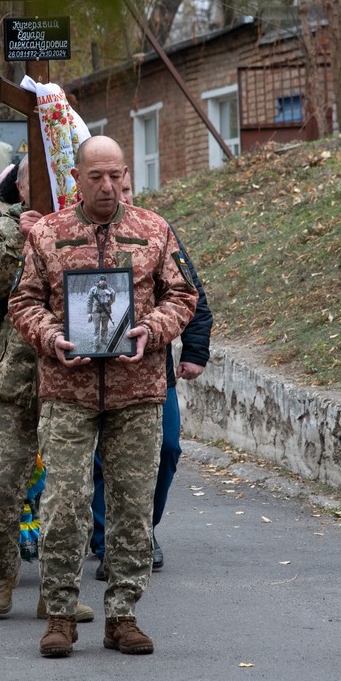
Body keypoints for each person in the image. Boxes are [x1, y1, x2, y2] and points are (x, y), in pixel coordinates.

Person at [9, 136, 196, 657]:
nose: (108, 186)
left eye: (116, 175)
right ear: (77, 178)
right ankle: (61, 614)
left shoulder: (153, 230)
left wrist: (152, 330)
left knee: (132, 505)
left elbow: (183, 295)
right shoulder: (48, 233)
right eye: (97, 177)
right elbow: (22, 301)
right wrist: (52, 337)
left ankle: (124, 614)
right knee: (65, 503)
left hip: (137, 390)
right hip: (67, 389)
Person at [0, 160, 96, 623]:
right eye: (31, 176)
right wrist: (22, 238)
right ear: (19, 184)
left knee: (68, 491)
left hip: (68, 374)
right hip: (12, 379)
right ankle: (1, 574)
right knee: (2, 485)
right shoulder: (3, 226)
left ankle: (56, 589)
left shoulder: (84, 224)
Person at [91, 175, 213, 580]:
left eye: (124, 188)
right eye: (108, 186)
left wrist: (195, 352)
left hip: (151, 373)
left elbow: (192, 295)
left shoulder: (157, 231)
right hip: (87, 376)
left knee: (167, 451)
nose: (117, 195)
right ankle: (109, 538)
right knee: (98, 462)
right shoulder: (71, 233)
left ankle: (143, 528)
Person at [87, 275, 116, 350]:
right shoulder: (93, 289)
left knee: (104, 328)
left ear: (106, 281)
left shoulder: (110, 290)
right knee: (96, 328)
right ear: (99, 281)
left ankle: (104, 341)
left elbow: (113, 301)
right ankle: (96, 344)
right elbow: (89, 301)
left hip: (106, 312)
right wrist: (89, 313)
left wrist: (110, 294)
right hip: (96, 311)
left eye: (104, 280)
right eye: (101, 280)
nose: (102, 281)